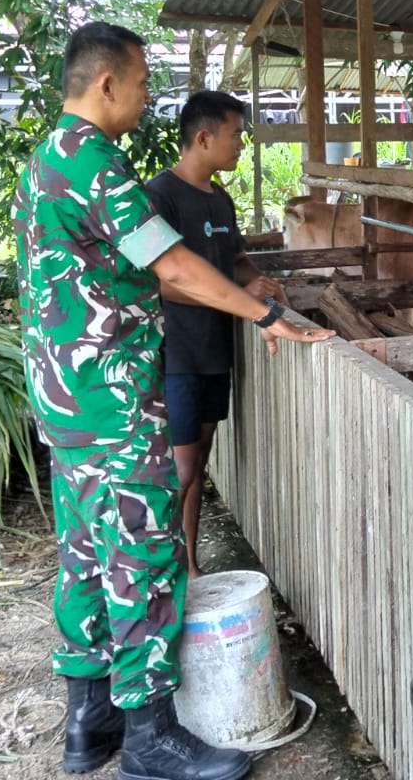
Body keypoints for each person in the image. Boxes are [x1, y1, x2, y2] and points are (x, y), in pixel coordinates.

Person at [13, 23, 332, 780]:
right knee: (143, 554)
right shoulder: (95, 164)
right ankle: (152, 736)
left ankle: (90, 722)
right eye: (143, 82)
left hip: (65, 398)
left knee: (86, 552)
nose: (147, 96)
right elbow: (174, 267)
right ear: (107, 85)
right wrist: (265, 314)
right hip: (113, 399)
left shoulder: (44, 160)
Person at [145, 91, 282, 580]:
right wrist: (238, 297)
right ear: (203, 138)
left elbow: (236, 260)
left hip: (213, 351)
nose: (241, 144)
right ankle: (151, 570)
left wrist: (258, 283)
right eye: (235, 135)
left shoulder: (219, 198)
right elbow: (161, 282)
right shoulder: (159, 196)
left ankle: (189, 566)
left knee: (198, 462)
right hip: (176, 354)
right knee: (180, 470)